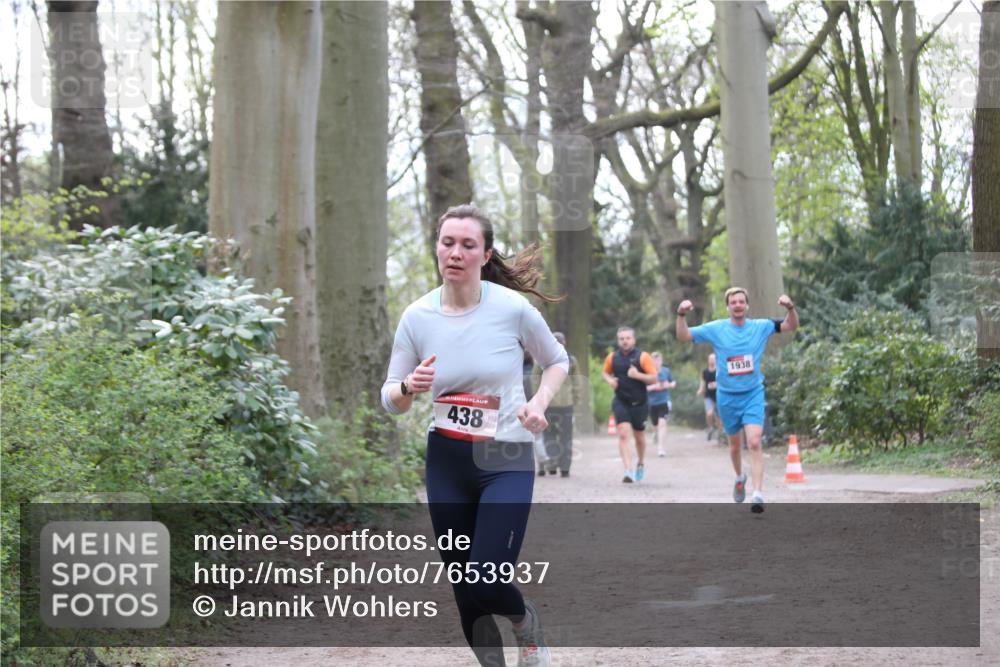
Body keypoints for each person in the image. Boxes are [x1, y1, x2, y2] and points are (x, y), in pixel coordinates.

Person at [381, 204, 567, 667]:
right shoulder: (417, 316)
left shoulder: (511, 309)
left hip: (504, 455)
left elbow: (557, 361)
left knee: (487, 579)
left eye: (468, 245)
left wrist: (538, 403)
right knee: (465, 591)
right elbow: (389, 396)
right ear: (437, 249)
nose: (456, 252)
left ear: (485, 255)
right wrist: (408, 388)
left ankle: (526, 624)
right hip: (446, 458)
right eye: (448, 243)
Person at [676, 287, 798, 513]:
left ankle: (758, 494)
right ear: (728, 306)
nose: (738, 305)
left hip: (752, 393)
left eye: (742, 301)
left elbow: (791, 325)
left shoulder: (761, 327)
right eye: (734, 302)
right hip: (727, 396)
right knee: (734, 446)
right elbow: (683, 336)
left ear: (747, 305)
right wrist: (681, 315)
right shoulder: (716, 328)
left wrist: (790, 308)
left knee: (753, 442)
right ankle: (739, 476)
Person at [602, 327, 657, 483]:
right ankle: (628, 470)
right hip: (621, 401)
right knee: (624, 434)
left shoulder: (643, 357)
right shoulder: (612, 357)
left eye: (628, 338)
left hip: (640, 403)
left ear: (634, 340)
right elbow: (605, 373)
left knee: (639, 437)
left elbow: (654, 379)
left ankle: (640, 462)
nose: (625, 341)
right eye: (621, 339)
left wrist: (637, 375)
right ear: (618, 341)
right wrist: (610, 380)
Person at [533, 332, 578, 476]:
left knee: (549, 434)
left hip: (548, 402)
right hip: (565, 403)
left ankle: (552, 464)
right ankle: (565, 468)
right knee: (565, 436)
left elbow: (535, 381)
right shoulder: (571, 360)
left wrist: (538, 400)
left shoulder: (541, 359)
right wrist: (576, 399)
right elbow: (577, 382)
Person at [647, 352, 676, 458]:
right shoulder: (647, 372)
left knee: (662, 423)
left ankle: (661, 448)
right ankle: (655, 434)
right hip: (652, 403)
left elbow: (673, 382)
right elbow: (643, 388)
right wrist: (654, 387)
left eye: (658, 360)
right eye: (654, 360)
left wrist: (669, 385)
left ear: (661, 361)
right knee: (655, 424)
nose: (656, 362)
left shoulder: (666, 371)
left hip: (664, 401)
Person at [696, 353, 723, 442]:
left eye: (713, 359)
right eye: (710, 359)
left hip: (719, 395)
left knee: (719, 416)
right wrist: (700, 390)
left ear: (716, 360)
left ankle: (720, 434)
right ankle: (710, 428)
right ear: (708, 360)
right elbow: (703, 382)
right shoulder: (705, 371)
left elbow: (724, 382)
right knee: (709, 413)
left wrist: (716, 385)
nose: (711, 360)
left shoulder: (720, 370)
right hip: (708, 396)